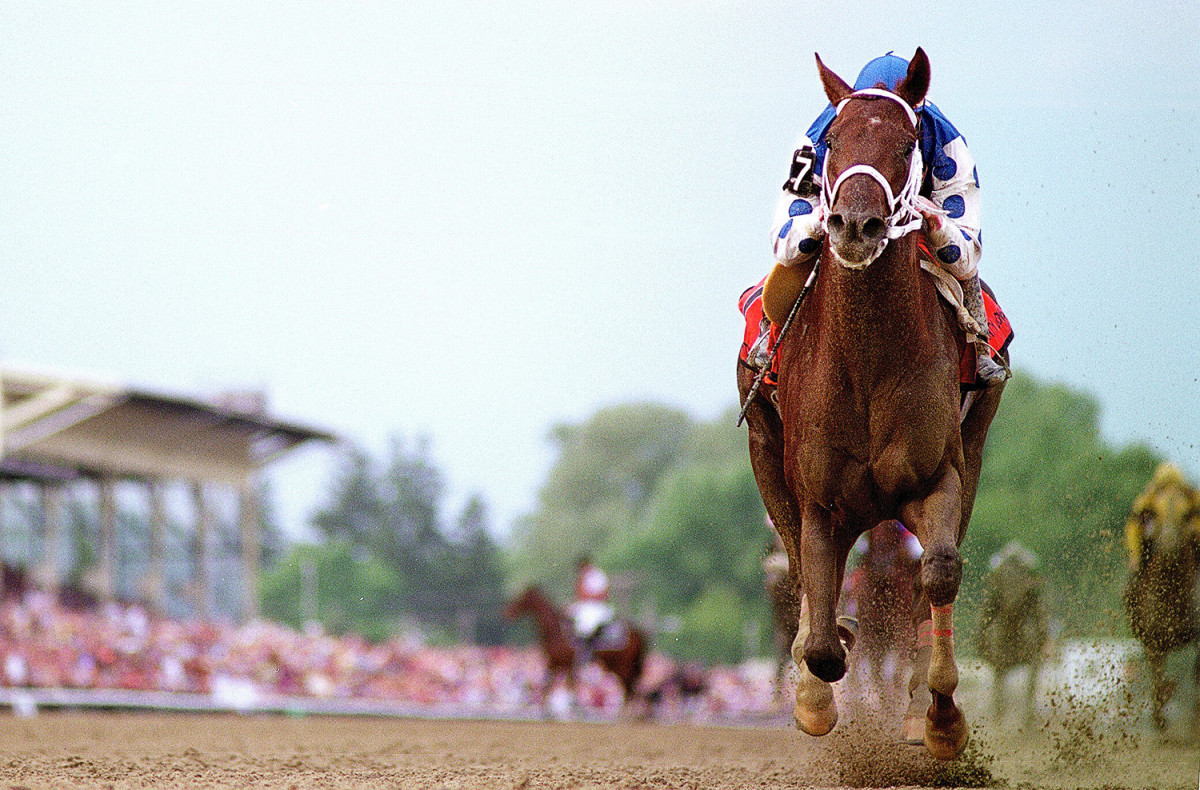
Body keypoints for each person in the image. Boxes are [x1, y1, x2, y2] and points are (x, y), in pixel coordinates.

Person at [749, 51, 1008, 386]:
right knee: (785, 269)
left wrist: (938, 227)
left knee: (967, 274)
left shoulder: (947, 142)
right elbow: (784, 240)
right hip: (838, 217)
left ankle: (981, 346)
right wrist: (817, 220)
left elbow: (967, 251)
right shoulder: (817, 137)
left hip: (915, 224)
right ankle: (768, 339)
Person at [568, 555, 614, 661]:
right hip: (584, 605)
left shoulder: (598, 575)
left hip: (596, 606)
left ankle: (589, 650)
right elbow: (578, 594)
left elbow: (604, 594)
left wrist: (588, 596)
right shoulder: (581, 577)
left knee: (587, 622)